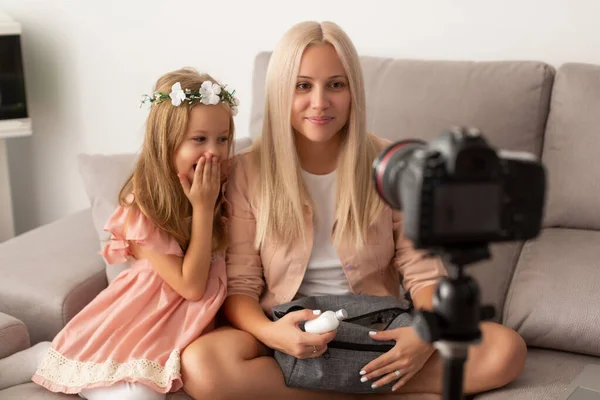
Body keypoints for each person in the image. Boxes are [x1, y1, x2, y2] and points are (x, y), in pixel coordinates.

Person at [179, 21, 527, 400]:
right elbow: (242, 285)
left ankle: (342, 385)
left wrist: (424, 333)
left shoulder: (394, 163)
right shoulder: (246, 170)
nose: (319, 102)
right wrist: (270, 333)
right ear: (281, 91)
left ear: (353, 91)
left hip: (378, 326)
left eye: (336, 84)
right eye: (302, 85)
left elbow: (424, 271)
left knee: (505, 349)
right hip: (289, 330)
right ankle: (376, 389)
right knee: (202, 364)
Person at [0, 68, 239, 400]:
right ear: (166, 144)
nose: (213, 151)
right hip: (143, 318)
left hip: (185, 327)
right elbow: (191, 286)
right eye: (199, 139)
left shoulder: (228, 190)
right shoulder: (145, 206)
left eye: (223, 138)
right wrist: (202, 209)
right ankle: (46, 356)